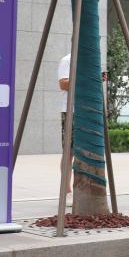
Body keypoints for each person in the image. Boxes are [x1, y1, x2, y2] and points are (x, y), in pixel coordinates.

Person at [58, 53, 72, 197]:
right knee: (68, 152)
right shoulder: (67, 60)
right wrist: (84, 78)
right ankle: (66, 191)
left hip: (87, 111)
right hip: (70, 111)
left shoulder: (89, 59)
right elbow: (63, 84)